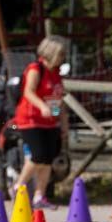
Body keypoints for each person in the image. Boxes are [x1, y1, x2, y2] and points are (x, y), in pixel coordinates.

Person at [12, 36, 69, 210]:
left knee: (48, 158)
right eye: (60, 54)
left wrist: (62, 121)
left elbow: (59, 100)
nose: (62, 57)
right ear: (50, 53)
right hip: (31, 119)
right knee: (38, 154)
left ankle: (39, 195)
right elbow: (28, 92)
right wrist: (42, 106)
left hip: (50, 121)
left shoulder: (56, 73)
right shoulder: (35, 69)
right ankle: (18, 186)